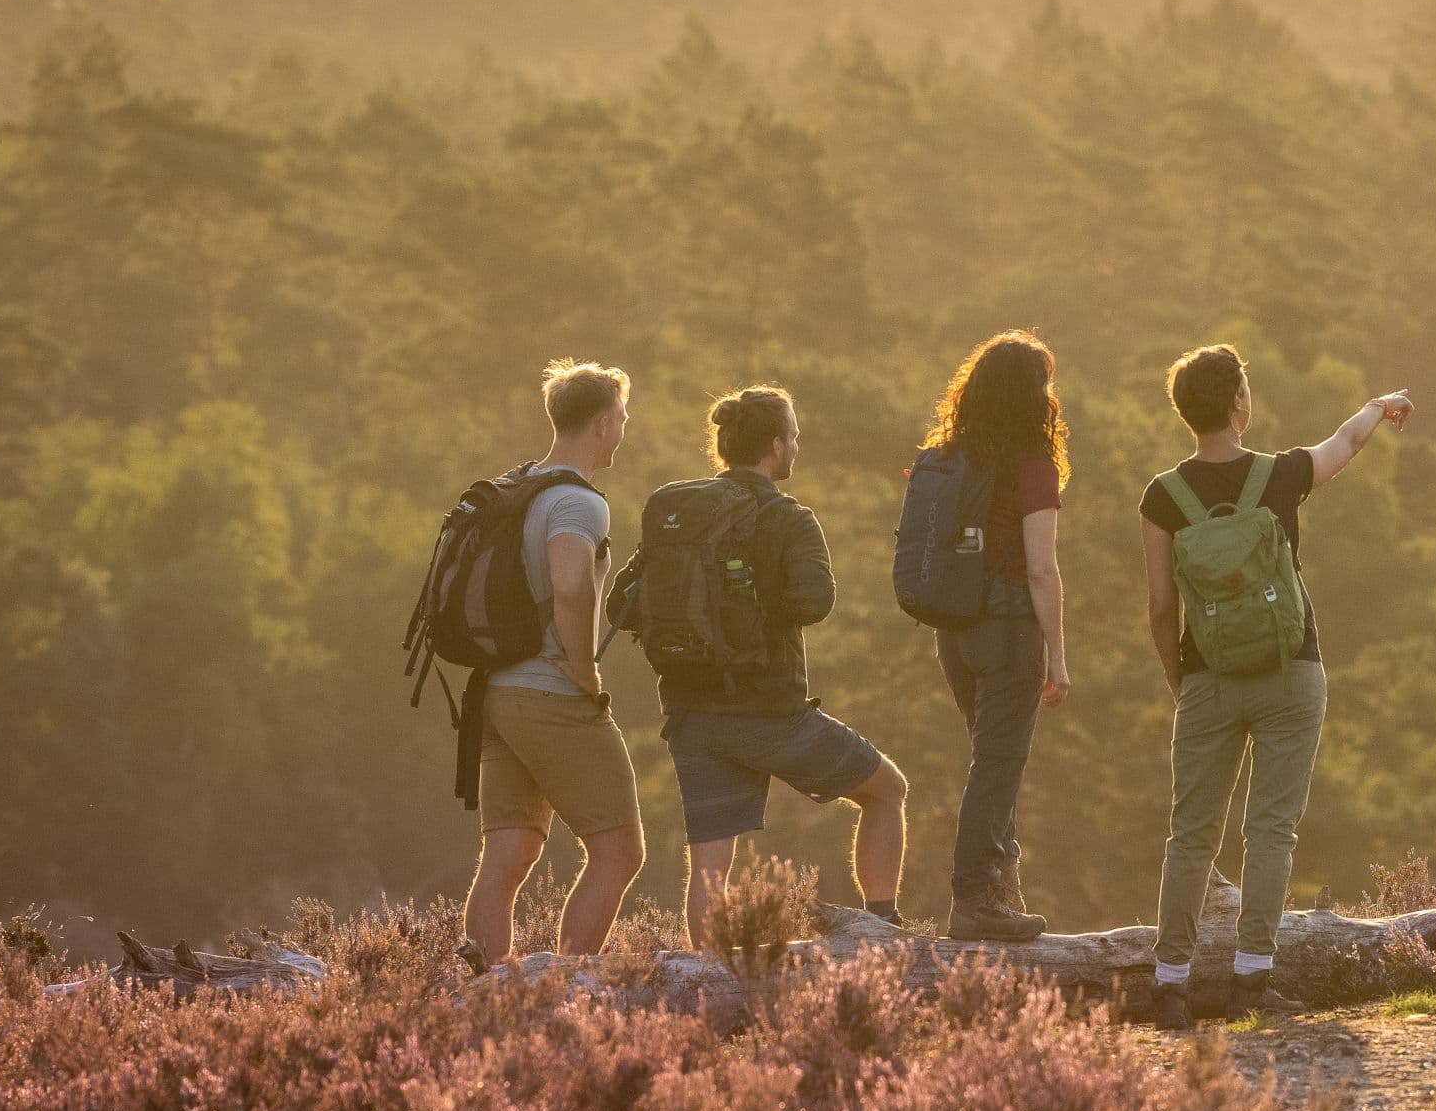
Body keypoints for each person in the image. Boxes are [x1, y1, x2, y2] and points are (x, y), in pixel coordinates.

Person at [1139, 345, 1411, 1028]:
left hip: (1207, 678)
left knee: (1191, 835)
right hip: (1291, 671)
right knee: (1271, 831)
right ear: (1238, 402)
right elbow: (1345, 442)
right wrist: (1380, 407)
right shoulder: (1281, 475)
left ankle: (1169, 982)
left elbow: (1159, 606)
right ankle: (1252, 981)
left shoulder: (1163, 497)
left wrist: (1184, 680)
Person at [654, 385, 910, 948]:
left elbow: (627, 598)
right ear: (774, 445)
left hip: (692, 710)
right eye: (793, 436)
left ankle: (707, 985)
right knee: (887, 789)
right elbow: (814, 603)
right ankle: (883, 928)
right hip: (770, 710)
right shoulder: (789, 518)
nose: (796, 445)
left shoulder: (677, 507)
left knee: (709, 863)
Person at [459, 359, 647, 970]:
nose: (623, 428)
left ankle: (483, 989)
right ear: (599, 424)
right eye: (620, 417)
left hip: (495, 692)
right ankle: (565, 989)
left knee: (506, 855)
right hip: (550, 692)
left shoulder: (519, 487)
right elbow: (572, 586)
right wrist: (585, 672)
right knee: (620, 850)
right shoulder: (578, 503)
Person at [925, 332, 1073, 943]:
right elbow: (1041, 567)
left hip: (954, 629)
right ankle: (976, 899)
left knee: (991, 759)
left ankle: (1002, 891)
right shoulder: (1032, 465)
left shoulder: (952, 458)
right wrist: (1057, 654)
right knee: (999, 761)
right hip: (1010, 627)